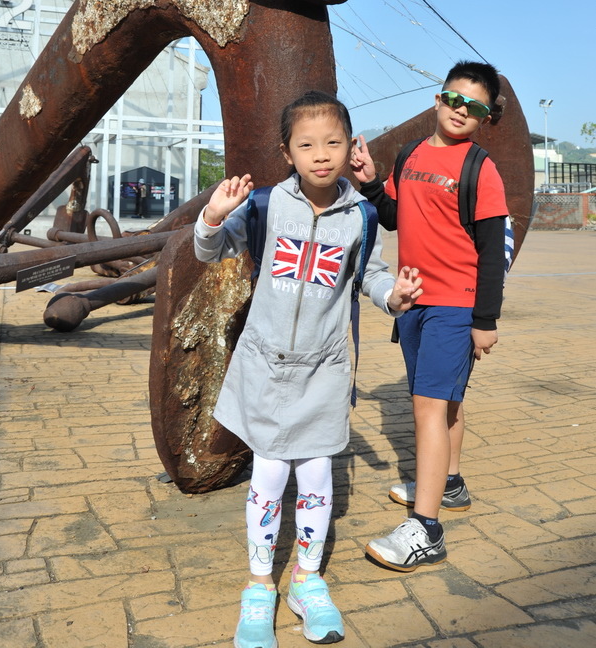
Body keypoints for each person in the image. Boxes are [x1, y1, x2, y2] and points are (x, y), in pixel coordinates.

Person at [194, 91, 422, 648]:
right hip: (267, 366)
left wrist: (392, 296)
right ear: (287, 152)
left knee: (317, 474)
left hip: (323, 367)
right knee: (270, 475)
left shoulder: (362, 215)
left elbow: (367, 275)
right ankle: (257, 590)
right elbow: (208, 250)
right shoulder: (268, 205)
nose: (322, 154)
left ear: (350, 147)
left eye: (334, 142)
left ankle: (306, 581)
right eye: (307, 144)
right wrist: (211, 217)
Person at [351, 61, 509, 573]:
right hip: (414, 300)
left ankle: (427, 529)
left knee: (426, 407)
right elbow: (395, 217)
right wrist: (373, 184)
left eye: (476, 106)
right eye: (454, 99)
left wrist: (485, 320)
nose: (462, 110)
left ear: (486, 117)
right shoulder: (411, 153)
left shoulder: (481, 169)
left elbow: (491, 251)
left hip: (456, 304)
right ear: (438, 99)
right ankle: (451, 482)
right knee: (446, 403)